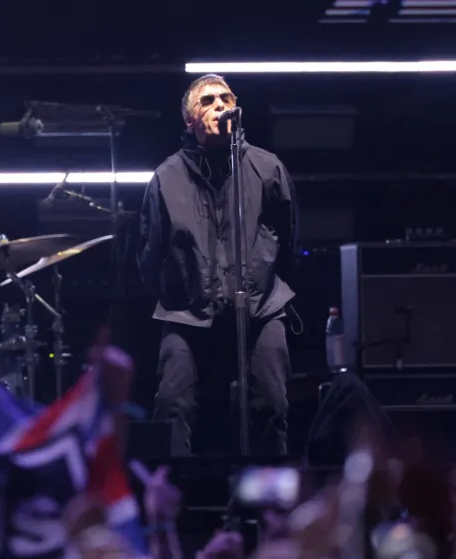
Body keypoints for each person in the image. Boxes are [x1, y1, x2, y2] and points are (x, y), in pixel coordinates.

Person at [137, 74, 298, 456]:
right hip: (188, 313)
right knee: (171, 406)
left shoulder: (267, 168)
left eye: (226, 98)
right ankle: (176, 491)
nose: (220, 105)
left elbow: (290, 240)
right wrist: (183, 290)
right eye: (207, 101)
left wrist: (263, 282)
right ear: (190, 120)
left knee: (271, 404)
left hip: (259, 309)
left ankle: (265, 492)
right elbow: (149, 254)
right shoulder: (166, 178)